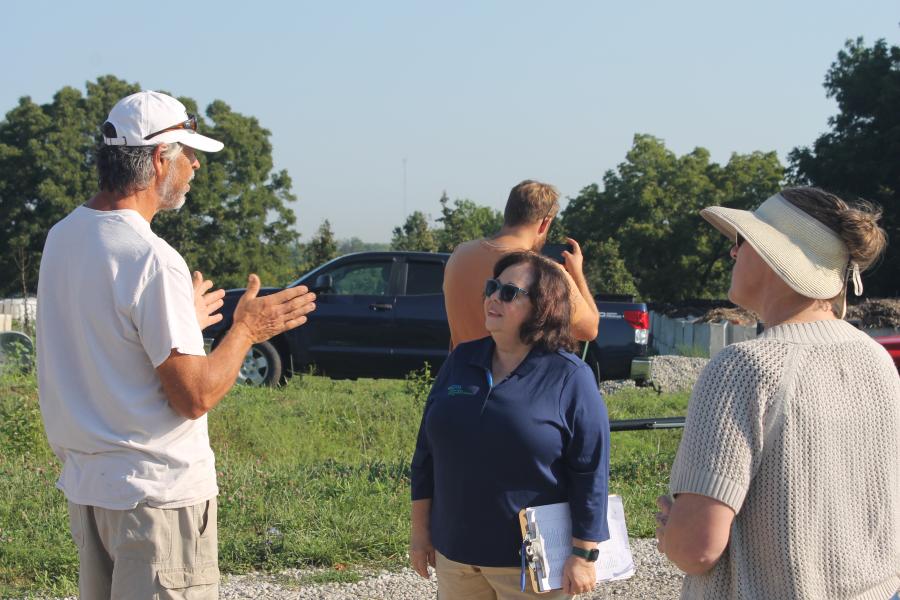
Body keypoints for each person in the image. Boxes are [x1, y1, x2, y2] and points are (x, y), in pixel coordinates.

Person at [36, 90, 317, 599]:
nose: (195, 166)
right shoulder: (152, 258)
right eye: (189, 153)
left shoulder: (64, 238)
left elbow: (107, 342)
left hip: (91, 491)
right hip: (156, 499)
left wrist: (178, 318)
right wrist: (246, 330)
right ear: (160, 159)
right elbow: (194, 396)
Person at [654, 187, 900, 599]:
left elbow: (696, 550)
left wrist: (673, 531)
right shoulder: (876, 359)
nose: (733, 253)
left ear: (776, 255)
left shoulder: (744, 368)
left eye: (741, 240)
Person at [410, 251, 611, 599]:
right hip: (456, 557)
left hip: (530, 565)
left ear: (542, 306)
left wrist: (583, 554)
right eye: (492, 287)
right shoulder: (461, 359)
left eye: (508, 292)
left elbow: (591, 471)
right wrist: (420, 533)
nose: (492, 297)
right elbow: (426, 452)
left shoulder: (569, 377)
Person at [443, 180, 599, 350]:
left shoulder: (459, 255)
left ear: (507, 212)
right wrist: (576, 274)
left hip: (461, 371)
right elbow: (589, 330)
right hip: (513, 375)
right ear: (545, 223)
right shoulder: (546, 272)